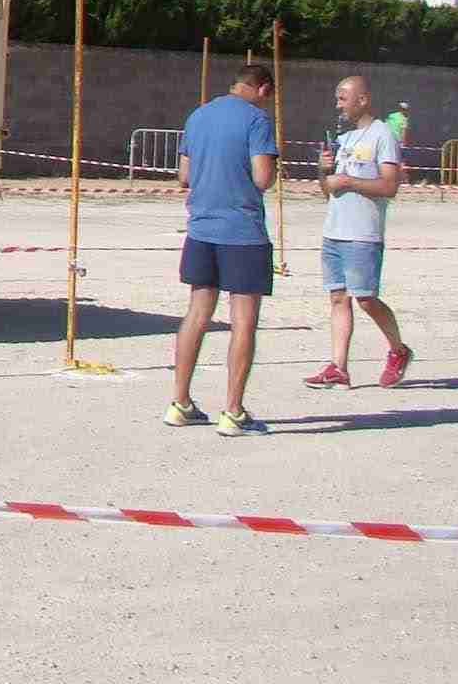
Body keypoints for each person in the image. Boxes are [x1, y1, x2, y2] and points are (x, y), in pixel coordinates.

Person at [166, 62, 279, 437]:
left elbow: (184, 176)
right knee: (243, 320)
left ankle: (180, 402)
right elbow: (263, 178)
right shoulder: (257, 121)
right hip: (242, 230)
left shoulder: (198, 115)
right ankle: (234, 411)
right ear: (262, 89)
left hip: (201, 228)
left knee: (197, 313)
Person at [306, 74, 414, 389]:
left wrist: (350, 182)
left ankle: (398, 349)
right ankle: (338, 367)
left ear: (362, 99)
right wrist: (322, 170)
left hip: (363, 233)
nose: (337, 104)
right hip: (334, 230)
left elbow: (390, 186)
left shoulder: (383, 135)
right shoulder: (346, 138)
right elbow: (328, 190)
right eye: (337, 98)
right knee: (338, 298)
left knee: (366, 299)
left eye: (343, 98)